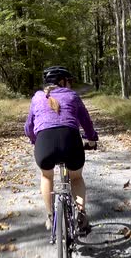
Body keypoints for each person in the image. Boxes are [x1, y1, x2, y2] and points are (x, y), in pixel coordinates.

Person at [24, 66, 98, 233]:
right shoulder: (72, 95)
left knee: (46, 175)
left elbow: (29, 127)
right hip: (70, 140)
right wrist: (92, 139)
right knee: (76, 178)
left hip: (45, 143)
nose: (70, 85)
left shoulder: (37, 97)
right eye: (68, 81)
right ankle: (81, 214)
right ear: (62, 82)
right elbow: (86, 122)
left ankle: (50, 216)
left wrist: (35, 141)